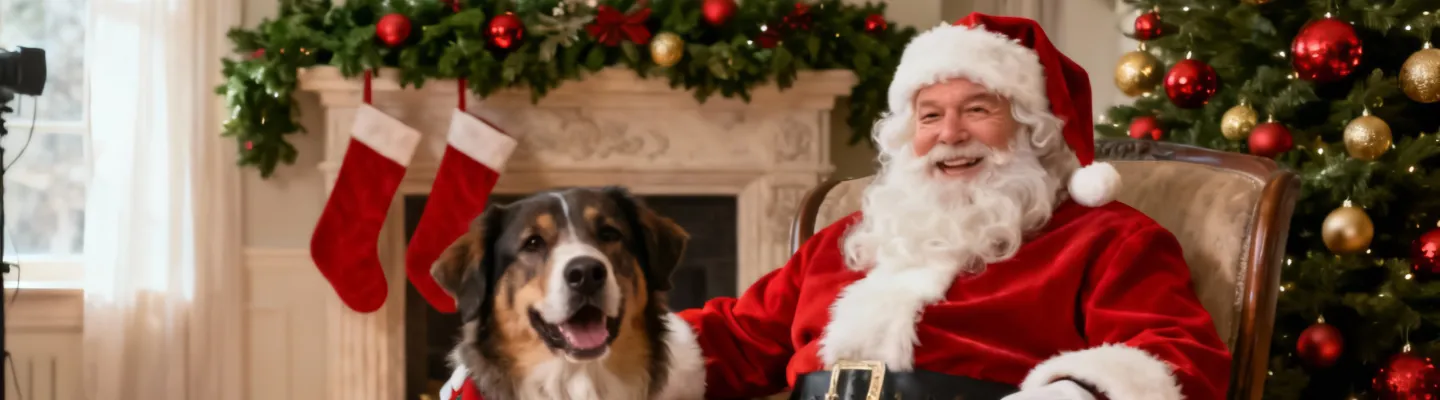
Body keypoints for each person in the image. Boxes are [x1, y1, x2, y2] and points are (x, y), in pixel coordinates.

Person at [676, 13, 1232, 400]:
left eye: (978, 109)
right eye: (930, 116)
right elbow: (740, 337)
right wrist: (612, 348)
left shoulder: (1109, 240)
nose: (951, 134)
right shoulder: (852, 238)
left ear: (1033, 131)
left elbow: (1178, 357)